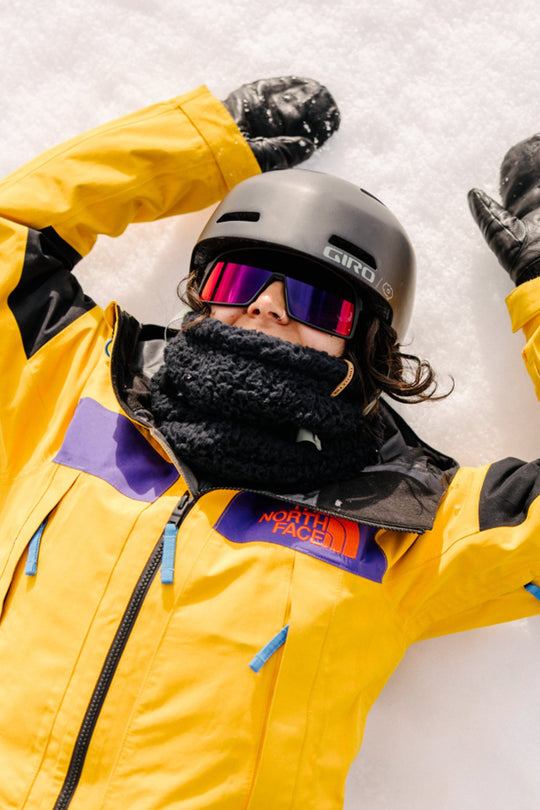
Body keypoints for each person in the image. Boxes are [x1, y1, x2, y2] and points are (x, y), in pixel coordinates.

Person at [0, 74, 539, 810]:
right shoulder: (69, 386)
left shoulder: (408, 519)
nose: (264, 305)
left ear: (367, 345)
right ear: (204, 289)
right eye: (242, 274)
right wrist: (201, 147)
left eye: (314, 298)